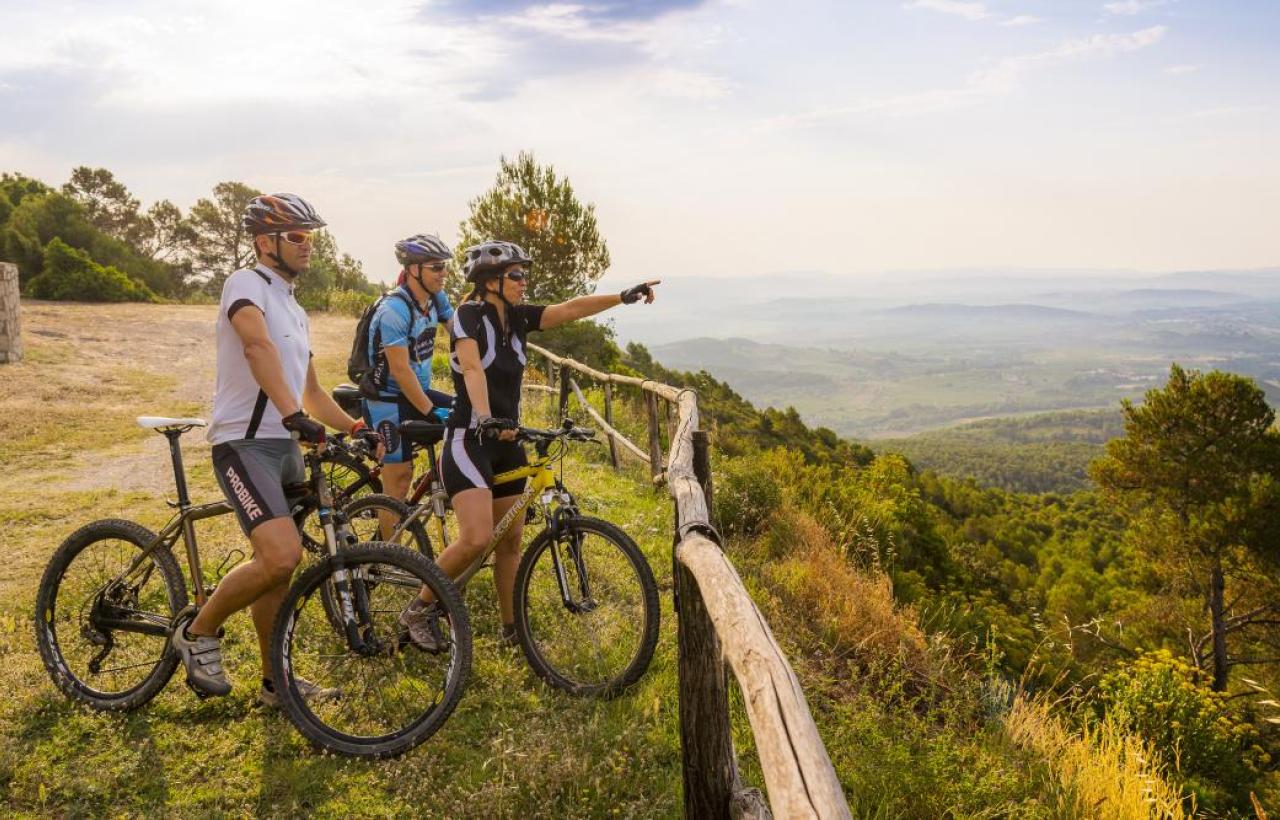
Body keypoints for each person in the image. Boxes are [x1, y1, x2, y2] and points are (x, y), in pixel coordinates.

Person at [171, 193, 383, 705]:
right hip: (244, 442)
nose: (308, 245)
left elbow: (311, 390)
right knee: (282, 554)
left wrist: (353, 426)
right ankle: (199, 632)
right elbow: (256, 348)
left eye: (311, 236)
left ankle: (275, 682)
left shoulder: (294, 306)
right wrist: (292, 415)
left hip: (284, 442)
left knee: (276, 567)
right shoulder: (245, 284)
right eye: (296, 236)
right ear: (265, 242)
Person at [398, 239, 658, 650]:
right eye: (516, 275)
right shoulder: (468, 314)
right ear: (489, 280)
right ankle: (418, 608)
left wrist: (623, 296)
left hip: (507, 439)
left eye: (524, 274)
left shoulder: (517, 318)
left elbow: (570, 308)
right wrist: (485, 418)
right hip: (470, 439)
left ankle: (511, 629)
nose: (524, 282)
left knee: (511, 543)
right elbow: (470, 369)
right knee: (476, 538)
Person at [361, 234, 455, 504]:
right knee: (399, 478)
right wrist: (430, 411)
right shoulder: (394, 309)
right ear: (413, 269)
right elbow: (401, 371)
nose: (443, 273)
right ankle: (387, 547)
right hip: (387, 400)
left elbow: (458, 332)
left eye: (444, 266)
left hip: (416, 392)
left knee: (469, 421)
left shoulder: (436, 299)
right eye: (436, 267)